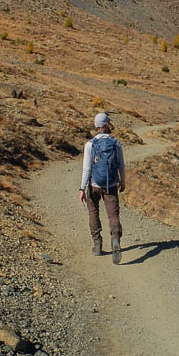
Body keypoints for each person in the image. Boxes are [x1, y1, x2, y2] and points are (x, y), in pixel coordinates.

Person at [79, 112, 126, 263]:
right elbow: (121, 165)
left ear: (96, 125)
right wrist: (122, 181)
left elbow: (87, 169)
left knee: (93, 212)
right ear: (106, 124)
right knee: (113, 215)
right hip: (111, 185)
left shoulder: (90, 144)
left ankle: (97, 245)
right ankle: (115, 239)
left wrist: (82, 189)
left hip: (94, 185)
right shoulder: (116, 143)